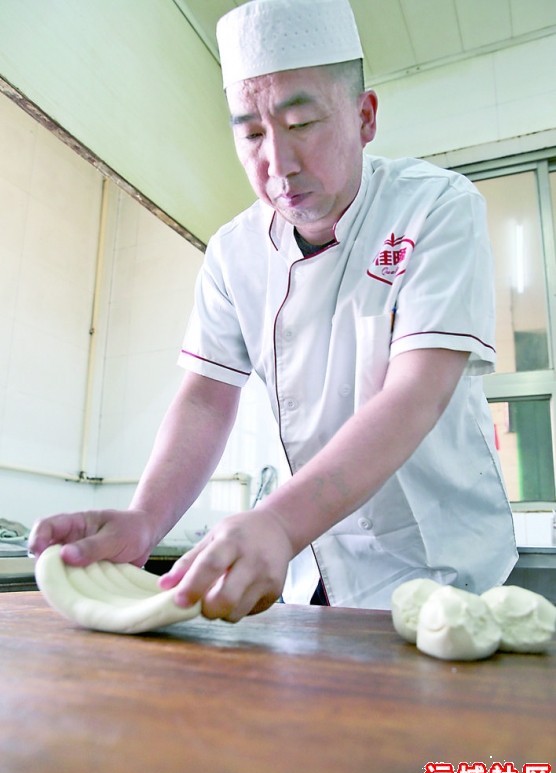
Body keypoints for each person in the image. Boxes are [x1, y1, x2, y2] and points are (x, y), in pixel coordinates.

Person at [29, 0, 517, 622]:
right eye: (252, 133)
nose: (278, 165)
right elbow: (207, 397)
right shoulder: (234, 252)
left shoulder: (436, 208)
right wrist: (145, 519)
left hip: (439, 566)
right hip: (312, 567)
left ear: (365, 117)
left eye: (302, 123)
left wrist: (279, 523)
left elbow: (416, 392)